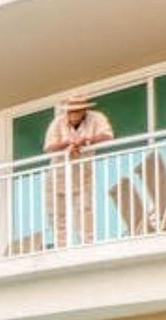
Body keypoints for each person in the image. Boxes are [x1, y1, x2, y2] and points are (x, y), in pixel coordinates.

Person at [44, 94, 115, 248]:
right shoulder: (58, 122)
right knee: (57, 213)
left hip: (83, 172)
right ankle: (61, 246)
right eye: (70, 111)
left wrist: (87, 140)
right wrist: (68, 143)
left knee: (84, 209)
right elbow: (49, 147)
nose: (73, 114)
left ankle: (87, 244)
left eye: (76, 111)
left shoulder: (96, 118)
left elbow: (108, 136)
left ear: (84, 110)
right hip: (58, 173)